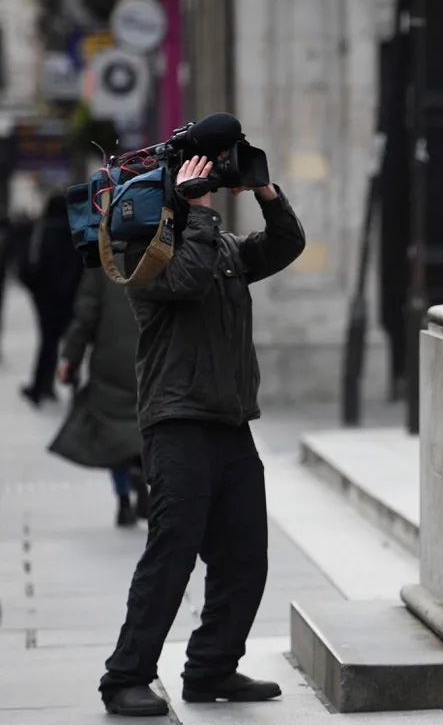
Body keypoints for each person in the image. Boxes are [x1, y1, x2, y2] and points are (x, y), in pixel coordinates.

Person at [98, 153, 306, 717]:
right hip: (177, 422)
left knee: (245, 556)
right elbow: (186, 281)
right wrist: (196, 213)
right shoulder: (145, 254)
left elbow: (285, 245)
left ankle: (211, 667)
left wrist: (264, 190)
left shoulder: (224, 249)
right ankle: (124, 678)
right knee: (172, 554)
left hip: (230, 423)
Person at [50, 265, 148, 527]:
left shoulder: (103, 259)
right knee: (149, 423)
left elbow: (85, 315)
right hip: (153, 355)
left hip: (110, 357)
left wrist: (71, 357)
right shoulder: (166, 248)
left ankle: (124, 498)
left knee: (112, 428)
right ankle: (143, 471)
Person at [18, 195, 83, 405]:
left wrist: (36, 291)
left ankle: (40, 388)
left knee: (47, 343)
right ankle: (75, 388)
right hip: (72, 297)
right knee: (74, 344)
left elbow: (27, 264)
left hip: (46, 299)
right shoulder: (76, 230)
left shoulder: (42, 230)